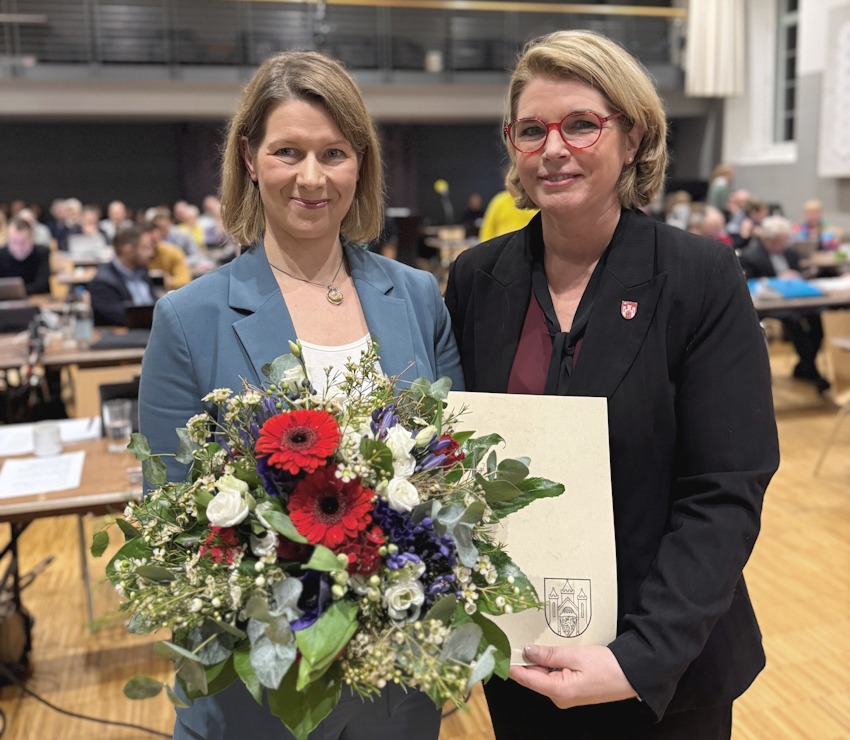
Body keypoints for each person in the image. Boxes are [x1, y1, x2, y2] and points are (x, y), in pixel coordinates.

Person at [444, 30, 779, 739]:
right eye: (531, 130)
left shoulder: (700, 277)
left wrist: (638, 659)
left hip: (665, 672)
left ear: (633, 138)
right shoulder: (476, 279)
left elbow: (725, 489)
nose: (554, 148)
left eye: (581, 125)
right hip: (526, 658)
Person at [138, 49, 463, 740]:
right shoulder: (188, 319)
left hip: (395, 690)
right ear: (250, 159)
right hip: (257, 695)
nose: (312, 178)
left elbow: (452, 479)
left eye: (334, 153)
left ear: (361, 164)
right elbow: (169, 521)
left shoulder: (415, 297)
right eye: (288, 151)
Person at [738, 215, 829, 392]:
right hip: (769, 305)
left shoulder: (790, 252)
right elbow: (749, 282)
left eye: (784, 240)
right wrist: (777, 280)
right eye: (778, 241)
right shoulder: (751, 255)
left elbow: (800, 273)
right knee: (793, 323)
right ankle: (811, 369)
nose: (782, 244)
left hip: (797, 300)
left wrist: (804, 274)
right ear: (766, 239)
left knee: (817, 318)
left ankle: (805, 366)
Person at [88, 225, 157, 326]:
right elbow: (125, 319)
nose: (151, 253)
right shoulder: (103, 282)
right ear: (128, 251)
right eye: (145, 248)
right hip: (128, 338)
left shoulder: (142, 273)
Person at [478, 171, 538, 241]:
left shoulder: (534, 201)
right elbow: (487, 229)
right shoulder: (498, 201)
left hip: (528, 244)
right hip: (501, 246)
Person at [0, 217, 51, 295]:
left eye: (23, 242)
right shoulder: (1, 254)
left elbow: (42, 286)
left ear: (31, 239)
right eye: (14, 241)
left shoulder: (42, 253)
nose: (19, 246)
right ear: (8, 240)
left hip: (36, 300)